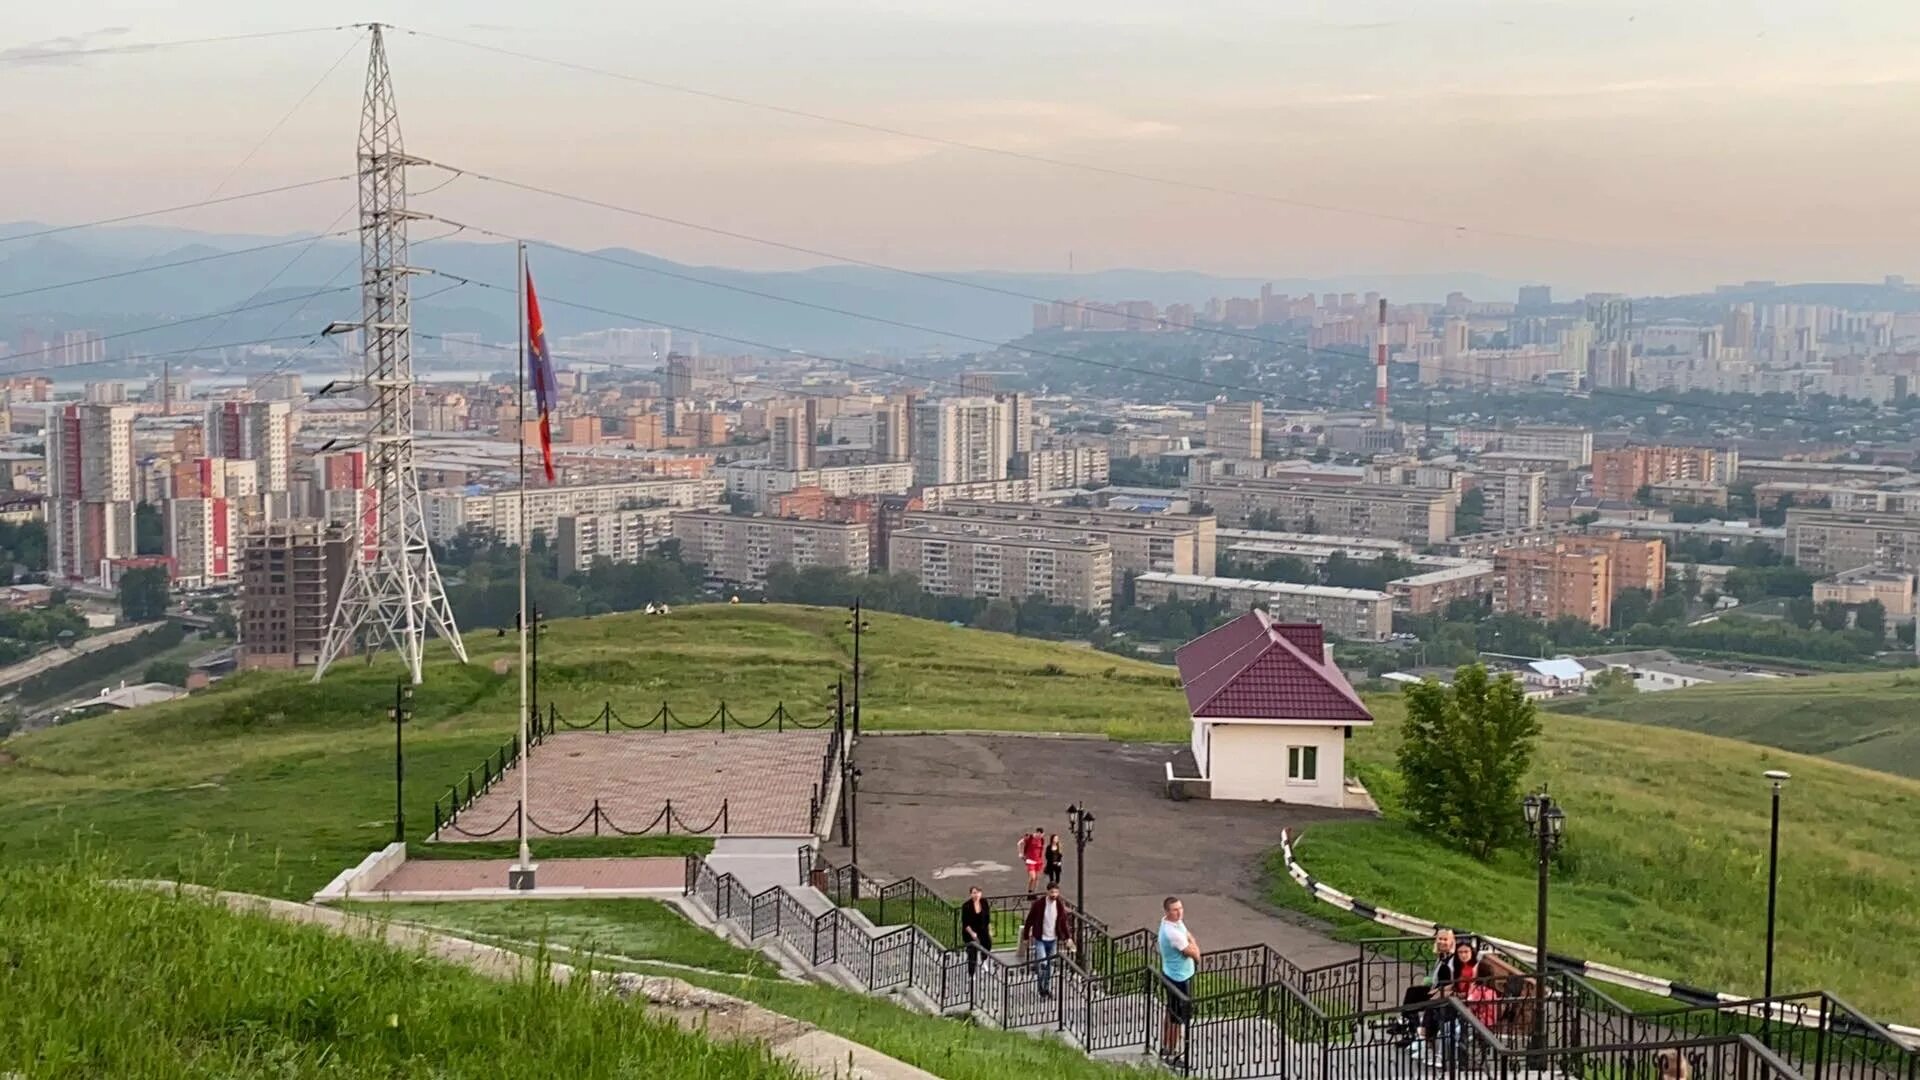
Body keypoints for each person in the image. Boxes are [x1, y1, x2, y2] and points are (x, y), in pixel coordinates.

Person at [1158, 896, 1200, 1065]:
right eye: (1175, 910)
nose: (1179, 912)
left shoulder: (1174, 923)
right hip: (1178, 978)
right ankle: (1172, 1054)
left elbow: (1189, 936)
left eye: (1180, 908)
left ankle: (1166, 1046)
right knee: (1176, 1017)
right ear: (1167, 912)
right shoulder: (1172, 932)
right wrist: (1196, 953)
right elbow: (1192, 952)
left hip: (1176, 974)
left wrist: (1193, 944)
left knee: (1171, 1011)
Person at [1409, 928, 1459, 1063]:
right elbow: (1435, 978)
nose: (1442, 942)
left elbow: (1453, 982)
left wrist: (1436, 992)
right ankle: (1417, 1035)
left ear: (1452, 942)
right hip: (1436, 990)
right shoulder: (1441, 957)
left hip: (1448, 995)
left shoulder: (1453, 960)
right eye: (1440, 939)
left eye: (1445, 939)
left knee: (1429, 1006)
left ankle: (1424, 1041)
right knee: (1412, 994)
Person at [1020, 883, 1076, 999]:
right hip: (1041, 939)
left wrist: (1068, 937)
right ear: (1047, 892)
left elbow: (1063, 923)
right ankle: (1041, 990)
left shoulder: (1059, 905)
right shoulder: (1039, 905)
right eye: (1052, 892)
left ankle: (1046, 988)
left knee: (1050, 967)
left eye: (1056, 892)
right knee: (1043, 965)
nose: (1054, 895)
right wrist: (1026, 937)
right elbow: (1029, 920)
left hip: (1053, 940)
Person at [959, 886, 993, 977]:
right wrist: (972, 933)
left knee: (987, 945)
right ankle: (971, 973)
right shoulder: (966, 906)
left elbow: (987, 918)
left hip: (982, 929)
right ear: (971, 894)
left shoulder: (984, 902)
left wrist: (989, 930)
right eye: (974, 893)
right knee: (972, 952)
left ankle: (984, 961)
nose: (976, 895)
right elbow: (965, 923)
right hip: (970, 931)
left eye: (978, 892)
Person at [1018, 826, 1046, 892]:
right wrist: (1020, 853)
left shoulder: (1042, 839)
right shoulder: (1030, 837)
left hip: (1038, 860)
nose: (1041, 836)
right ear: (1038, 833)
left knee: (1037, 878)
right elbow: (1019, 843)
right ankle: (1029, 890)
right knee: (1032, 877)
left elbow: (1041, 849)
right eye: (1041, 835)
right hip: (1030, 860)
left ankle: (1034, 892)